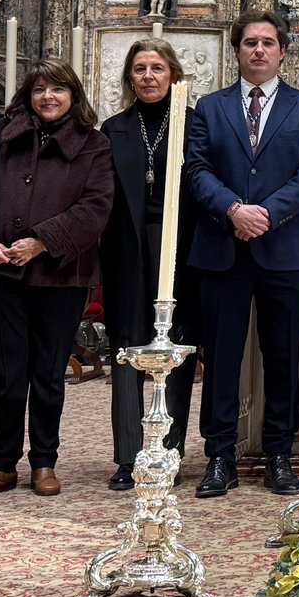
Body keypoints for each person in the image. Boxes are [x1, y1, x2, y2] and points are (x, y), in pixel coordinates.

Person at [184, 10, 299, 498]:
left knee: (283, 356)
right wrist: (232, 210)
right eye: (250, 43)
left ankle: (279, 455)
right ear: (237, 51)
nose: (259, 50)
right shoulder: (210, 107)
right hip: (222, 249)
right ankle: (219, 456)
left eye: (268, 42)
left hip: (283, 249)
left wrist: (266, 213)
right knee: (221, 356)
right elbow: (196, 168)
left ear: (282, 52)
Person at [0, 62, 113, 499]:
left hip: (62, 275)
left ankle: (44, 461)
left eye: (58, 89)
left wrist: (42, 241)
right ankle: (2, 464)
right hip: (2, 274)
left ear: (73, 95)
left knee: (48, 375)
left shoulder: (94, 144)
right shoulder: (2, 136)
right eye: (39, 89)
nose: (48, 97)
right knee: (6, 373)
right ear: (28, 96)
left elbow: (95, 207)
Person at [100, 38, 198, 492]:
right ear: (129, 77)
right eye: (139, 69)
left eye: (157, 68)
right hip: (126, 247)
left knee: (175, 348)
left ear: (173, 75)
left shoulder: (195, 125)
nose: (148, 76)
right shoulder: (114, 128)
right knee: (127, 346)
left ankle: (168, 450)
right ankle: (128, 455)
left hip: (181, 248)